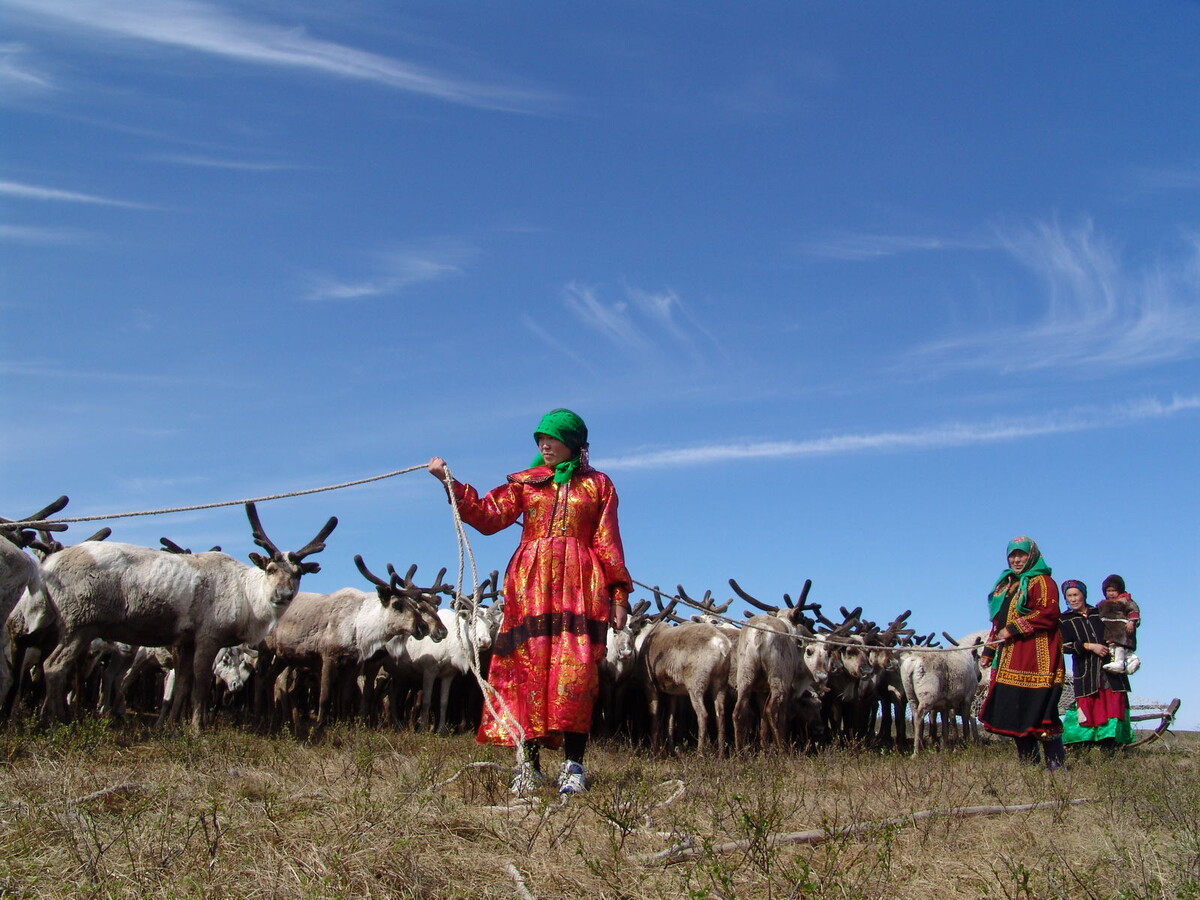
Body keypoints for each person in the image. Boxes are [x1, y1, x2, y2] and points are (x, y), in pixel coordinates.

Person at [427, 408, 632, 796]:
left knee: (576, 673)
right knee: (527, 670)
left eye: (551, 438)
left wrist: (618, 593)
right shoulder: (527, 483)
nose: (544, 445)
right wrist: (448, 482)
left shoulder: (599, 486)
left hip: (580, 584)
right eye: (540, 439)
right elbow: (488, 516)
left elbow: (607, 541)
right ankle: (529, 765)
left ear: (572, 442)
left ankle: (573, 766)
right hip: (530, 585)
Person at [978, 536, 1067, 769]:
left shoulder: (1043, 581)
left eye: (1021, 555)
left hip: (1039, 659)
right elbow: (998, 624)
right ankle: (1029, 768)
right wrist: (988, 650)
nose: (1016, 560)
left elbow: (1048, 614)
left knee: (1040, 712)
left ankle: (1055, 766)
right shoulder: (1008, 585)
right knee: (1016, 713)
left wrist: (1015, 628)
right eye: (1012, 555)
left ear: (1032, 555)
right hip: (1011, 659)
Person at [1058, 579, 1136, 751]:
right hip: (1086, 672)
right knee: (1087, 707)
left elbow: (1121, 622)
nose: (1073, 599)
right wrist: (1088, 646)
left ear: (1083, 595)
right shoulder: (1064, 620)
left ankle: (1111, 746)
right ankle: (1082, 746)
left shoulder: (1100, 612)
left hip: (1111, 670)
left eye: (1076, 595)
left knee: (1113, 704)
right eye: (1069, 596)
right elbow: (1062, 645)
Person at [1097, 573, 1141, 675]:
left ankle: (1119, 663)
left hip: (1121, 630)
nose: (1111, 594)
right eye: (1108, 591)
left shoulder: (1125, 600)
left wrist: (1131, 622)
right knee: (1114, 648)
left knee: (1119, 646)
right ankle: (1133, 660)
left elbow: (1133, 611)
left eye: (1113, 591)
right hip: (1110, 632)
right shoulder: (1103, 604)